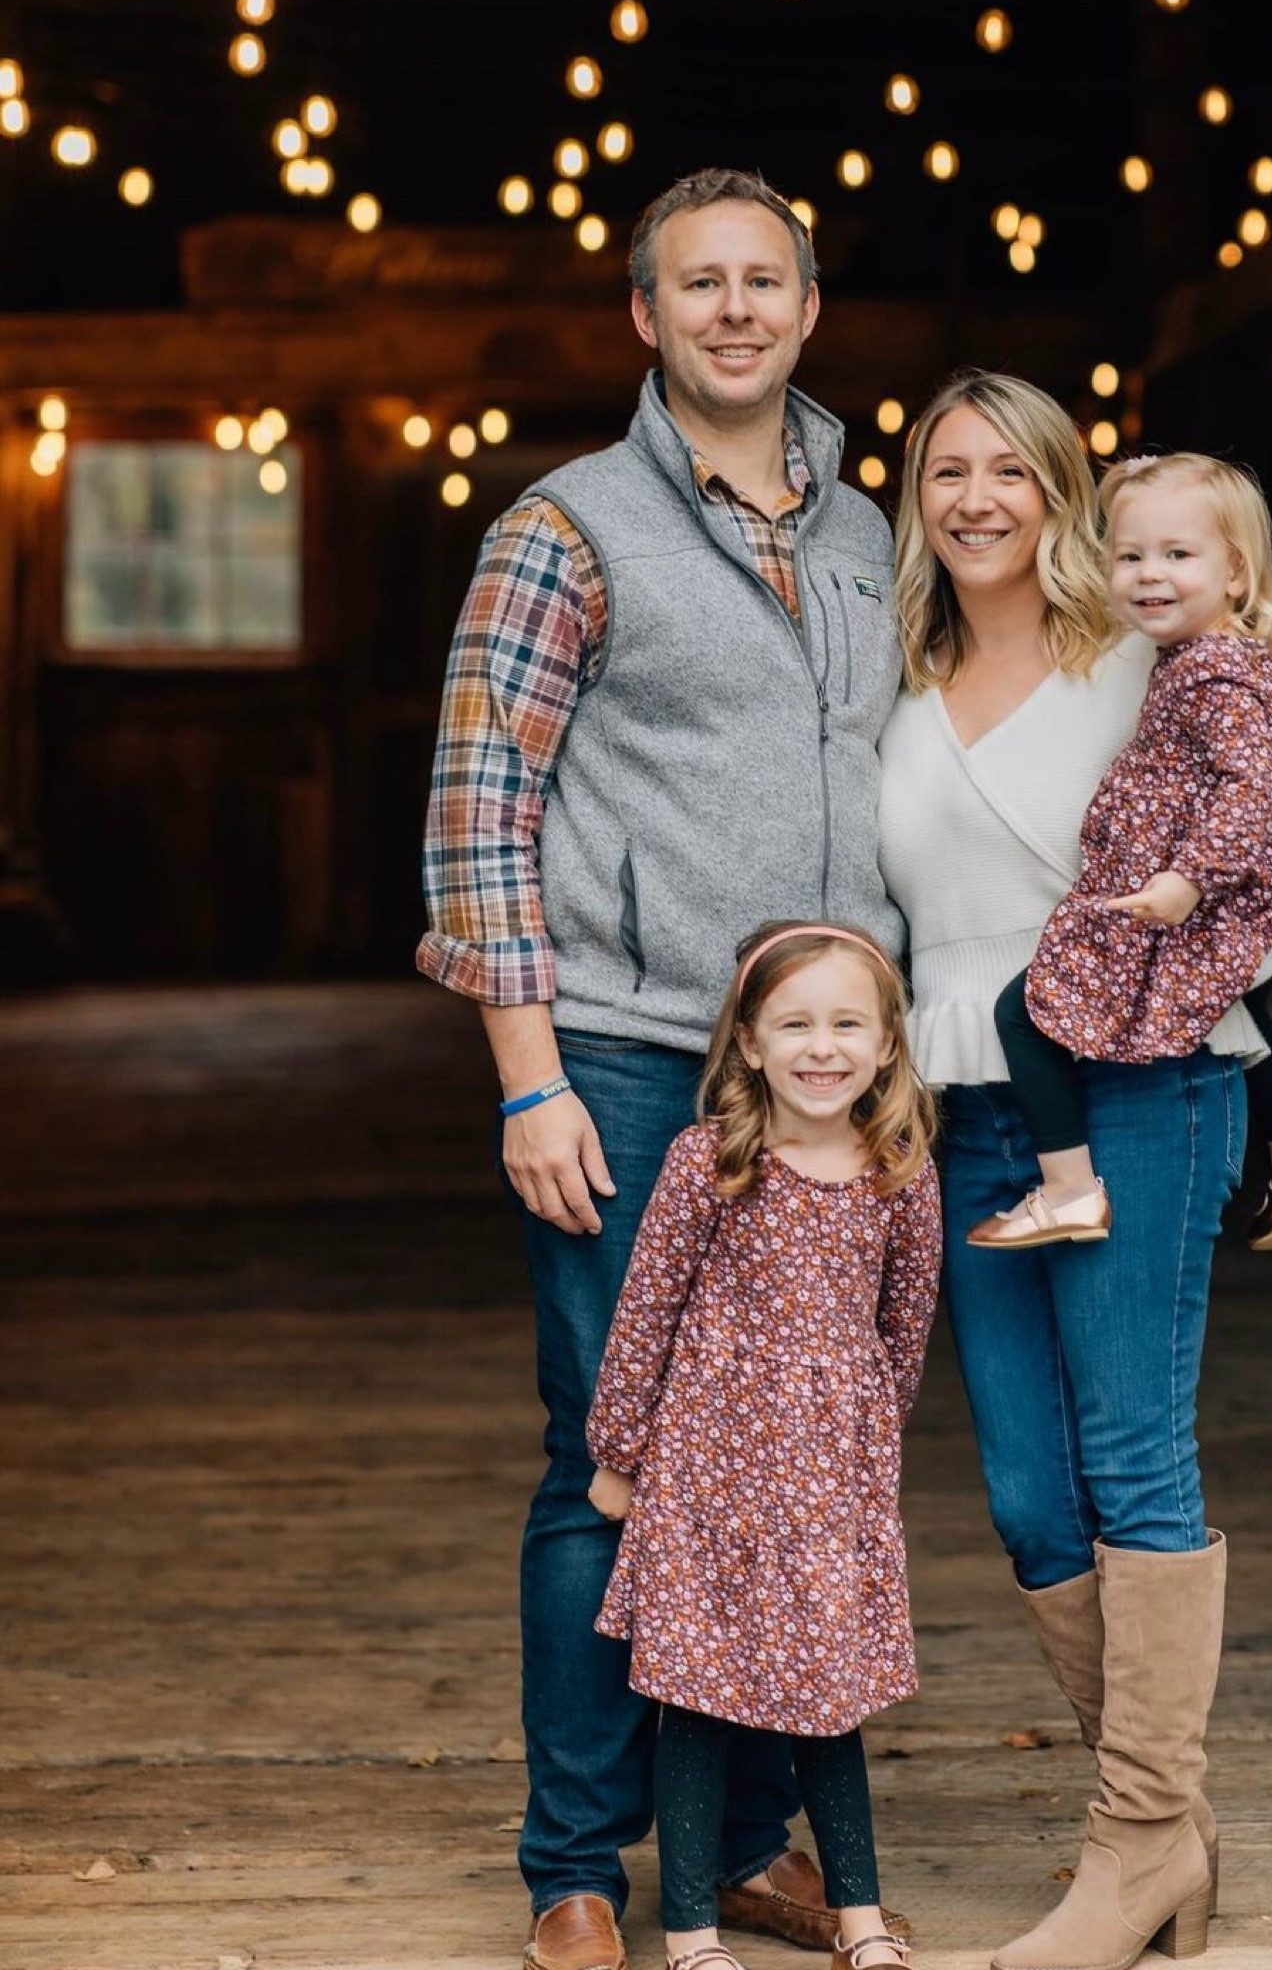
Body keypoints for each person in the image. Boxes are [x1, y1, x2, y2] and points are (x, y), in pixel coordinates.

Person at [418, 169, 907, 1970]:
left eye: (759, 280)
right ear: (642, 317)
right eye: (692, 284)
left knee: (792, 1457)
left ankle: (764, 1843)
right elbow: (481, 818)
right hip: (632, 1059)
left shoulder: (871, 529)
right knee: (609, 1454)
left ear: (805, 305)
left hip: (830, 1081)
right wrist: (526, 1079)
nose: (729, 310)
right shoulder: (567, 526)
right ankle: (572, 1861)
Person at [877, 372, 1272, 1970]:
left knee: (1129, 1455)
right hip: (972, 1116)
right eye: (941, 472)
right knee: (1028, 1493)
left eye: (1007, 473)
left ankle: (1130, 1846)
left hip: (1147, 1093)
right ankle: (1164, 1828)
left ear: (1061, 499)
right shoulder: (893, 689)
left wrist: (1195, 965)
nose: (973, 500)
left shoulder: (1141, 671)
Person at [585, 921, 941, 1970]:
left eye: (846, 1023)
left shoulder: (899, 1172)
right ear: (748, 1041)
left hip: (829, 1483)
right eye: (794, 1022)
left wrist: (873, 1439)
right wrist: (619, 1449)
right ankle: (691, 1928)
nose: (820, 1046)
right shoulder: (712, 1160)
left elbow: (904, 1327)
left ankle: (861, 1919)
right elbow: (646, 1305)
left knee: (829, 1701)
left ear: (885, 1044)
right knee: (692, 1696)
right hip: (709, 1468)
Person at [971, 451, 1272, 1254]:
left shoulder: (1213, 675)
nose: (1147, 574)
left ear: (1236, 573)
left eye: (1176, 555)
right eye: (1129, 556)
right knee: (1238, 1005)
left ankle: (1067, 1189)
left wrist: (1188, 881)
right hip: (1193, 890)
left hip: (1181, 893)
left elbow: (1253, 786)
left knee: (1024, 1012)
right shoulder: (1206, 662)